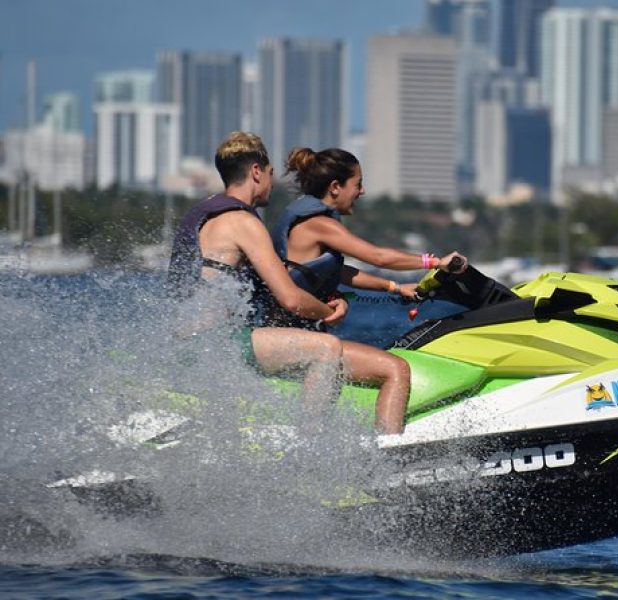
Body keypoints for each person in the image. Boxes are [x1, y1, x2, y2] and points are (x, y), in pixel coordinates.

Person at [167, 131, 407, 434]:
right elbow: (290, 298)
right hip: (213, 343)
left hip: (190, 340)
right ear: (256, 172)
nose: (271, 181)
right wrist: (328, 312)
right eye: (269, 173)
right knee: (326, 348)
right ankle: (308, 448)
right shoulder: (244, 222)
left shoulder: (206, 212)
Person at [273, 146, 468, 304]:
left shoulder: (315, 221)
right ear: (335, 188)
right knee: (388, 356)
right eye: (358, 184)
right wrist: (436, 262)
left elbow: (337, 273)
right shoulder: (318, 224)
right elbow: (378, 257)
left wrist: (394, 287)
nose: (362, 191)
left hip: (296, 326)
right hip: (286, 327)